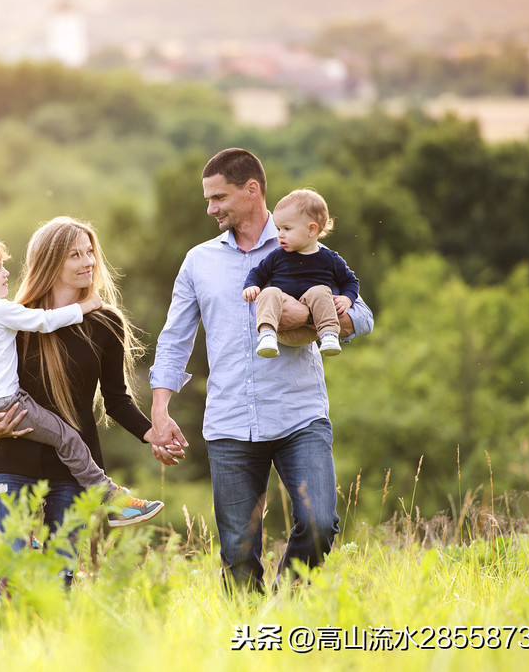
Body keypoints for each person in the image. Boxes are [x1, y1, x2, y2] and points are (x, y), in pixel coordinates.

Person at [148, 148, 374, 594]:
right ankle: (251, 645)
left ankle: (283, 613)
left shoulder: (309, 247)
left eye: (219, 197)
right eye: (208, 199)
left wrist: (309, 319)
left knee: (318, 523)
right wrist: (160, 409)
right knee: (237, 550)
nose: (210, 208)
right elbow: (175, 338)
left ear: (252, 190)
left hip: (299, 414)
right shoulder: (199, 261)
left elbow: (362, 317)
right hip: (230, 421)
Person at [0, 217, 166, 579]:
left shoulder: (106, 322)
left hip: (74, 469)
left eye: (90, 252)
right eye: (75, 254)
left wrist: (151, 432)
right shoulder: (17, 318)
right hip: (16, 460)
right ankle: (11, 636)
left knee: (60, 576)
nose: (88, 261)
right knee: (12, 574)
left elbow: (116, 399)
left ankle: (52, 637)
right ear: (50, 262)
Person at [242, 188, 360, 359]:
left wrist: (347, 298)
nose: (279, 235)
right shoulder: (277, 256)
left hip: (314, 331)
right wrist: (251, 286)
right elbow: (257, 273)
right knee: (270, 292)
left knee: (320, 290)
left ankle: (329, 335)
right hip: (282, 327)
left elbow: (350, 281)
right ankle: (266, 335)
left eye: (287, 229)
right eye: (278, 228)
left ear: (311, 230)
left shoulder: (330, 258)